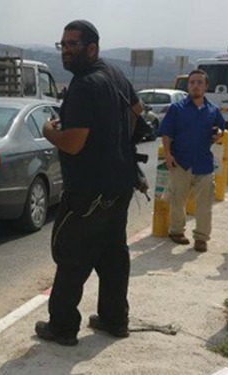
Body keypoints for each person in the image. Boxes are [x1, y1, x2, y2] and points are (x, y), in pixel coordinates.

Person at [35, 20, 144, 346]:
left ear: (91, 48)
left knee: (73, 257)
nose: (67, 50)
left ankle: (63, 327)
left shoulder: (84, 85)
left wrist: (49, 132)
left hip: (90, 191)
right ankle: (114, 319)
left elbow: (73, 143)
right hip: (120, 184)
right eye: (63, 44)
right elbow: (137, 110)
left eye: (73, 44)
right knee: (112, 255)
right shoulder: (114, 74)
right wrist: (115, 141)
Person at [158, 69, 225, 253]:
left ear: (206, 86)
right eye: (192, 82)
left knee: (205, 203)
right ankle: (176, 231)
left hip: (203, 163)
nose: (195, 86)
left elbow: (220, 129)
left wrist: (219, 134)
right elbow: (166, 133)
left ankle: (201, 238)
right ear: (188, 86)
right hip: (181, 162)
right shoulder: (176, 109)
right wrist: (168, 155)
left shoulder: (213, 110)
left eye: (199, 83)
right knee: (178, 200)